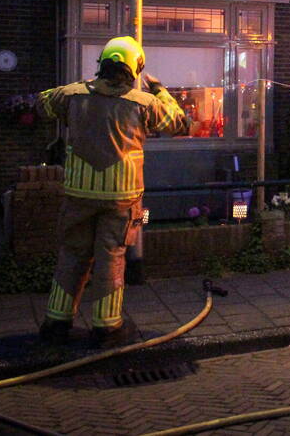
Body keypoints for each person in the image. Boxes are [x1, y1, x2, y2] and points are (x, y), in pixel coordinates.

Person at [38, 36, 189, 347]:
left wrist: (80, 90)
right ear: (133, 69)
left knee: (72, 254)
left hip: (79, 191)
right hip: (120, 195)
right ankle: (107, 326)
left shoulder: (73, 94)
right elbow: (180, 124)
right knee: (110, 257)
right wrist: (161, 91)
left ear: (102, 64)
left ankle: (56, 321)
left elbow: (43, 104)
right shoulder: (144, 103)